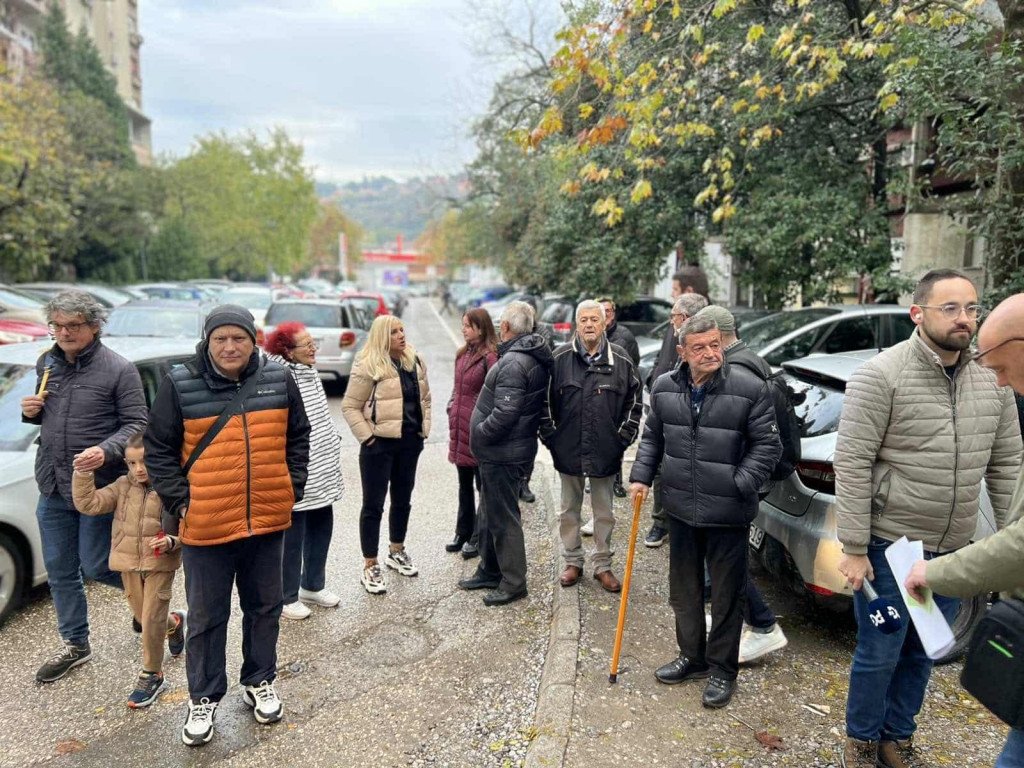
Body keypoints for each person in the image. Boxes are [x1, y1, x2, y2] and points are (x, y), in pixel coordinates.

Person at [834, 270, 1021, 768]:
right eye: (951, 308)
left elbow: (1007, 466)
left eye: (972, 308)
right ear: (918, 313)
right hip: (890, 548)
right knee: (881, 651)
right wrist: (853, 546)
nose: (965, 319)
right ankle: (862, 741)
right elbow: (851, 462)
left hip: (957, 548)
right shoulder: (882, 374)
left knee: (926, 651)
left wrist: (1007, 549)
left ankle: (898, 737)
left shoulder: (992, 377)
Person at [145, 304, 311, 747]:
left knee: (264, 608)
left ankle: (259, 679)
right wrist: (181, 502)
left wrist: (290, 484)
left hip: (267, 522)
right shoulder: (180, 383)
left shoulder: (279, 378)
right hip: (206, 525)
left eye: (239, 337)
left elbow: (299, 435)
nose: (230, 346)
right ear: (208, 341)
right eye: (221, 338)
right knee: (206, 616)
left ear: (253, 340)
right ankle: (203, 697)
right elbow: (158, 450)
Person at [629, 313, 781, 709]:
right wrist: (641, 476)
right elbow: (652, 439)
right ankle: (692, 658)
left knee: (727, 598)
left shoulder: (749, 387)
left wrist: (738, 483)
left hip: (728, 515)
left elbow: (768, 448)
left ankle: (722, 671)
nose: (711, 353)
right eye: (700, 347)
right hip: (679, 509)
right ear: (682, 352)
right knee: (684, 594)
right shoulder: (664, 388)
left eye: (715, 344)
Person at [904, 293, 1024, 768]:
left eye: (999, 366)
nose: (997, 380)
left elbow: (1019, 539)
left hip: (947, 552)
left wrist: (935, 574)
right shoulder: (887, 373)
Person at [21, 290, 147, 684]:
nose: (63, 332)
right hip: (54, 484)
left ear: (94, 326)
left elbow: (137, 423)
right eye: (57, 325)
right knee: (59, 569)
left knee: (98, 565)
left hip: (97, 488)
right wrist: (29, 413)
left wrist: (106, 451)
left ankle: (156, 608)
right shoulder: (46, 363)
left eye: (73, 325)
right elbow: (46, 417)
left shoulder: (118, 369)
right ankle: (75, 643)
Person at [695, 305, 793, 664]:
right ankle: (729, 619)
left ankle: (764, 626)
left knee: (726, 559)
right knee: (723, 556)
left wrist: (736, 481)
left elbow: (733, 436)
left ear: (717, 337)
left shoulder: (735, 369)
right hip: (743, 478)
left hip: (735, 481)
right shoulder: (751, 359)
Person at [71, 432, 186, 708]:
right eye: (132, 463)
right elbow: (89, 504)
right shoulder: (123, 486)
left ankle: (152, 674)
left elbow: (190, 524)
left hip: (160, 561)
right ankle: (175, 623)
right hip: (128, 564)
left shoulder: (171, 484)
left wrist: (172, 541)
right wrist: (83, 473)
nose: (139, 469)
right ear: (126, 463)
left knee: (149, 620)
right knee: (143, 616)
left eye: (144, 461)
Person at [541, 300, 641, 594]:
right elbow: (543, 404)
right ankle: (573, 561)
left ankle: (603, 566)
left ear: (603, 323)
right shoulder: (559, 359)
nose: (588, 325)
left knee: (604, 513)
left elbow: (635, 405)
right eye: (583, 319)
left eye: (593, 320)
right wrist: (552, 439)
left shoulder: (621, 360)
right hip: (568, 450)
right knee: (568, 510)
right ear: (576, 324)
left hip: (605, 451)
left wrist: (621, 439)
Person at [458, 300, 552, 607]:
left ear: (507, 327)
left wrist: (479, 433)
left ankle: (513, 582)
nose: (499, 327)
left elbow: (506, 412)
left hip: (503, 453)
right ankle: (489, 569)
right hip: (503, 452)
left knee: (504, 520)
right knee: (490, 514)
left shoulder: (515, 362)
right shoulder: (522, 356)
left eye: (502, 323)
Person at [342, 315, 432, 595]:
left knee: (403, 501)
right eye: (394, 332)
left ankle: (397, 550)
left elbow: (425, 399)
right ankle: (370, 564)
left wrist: (424, 429)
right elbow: (350, 406)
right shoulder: (368, 364)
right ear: (382, 336)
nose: (401, 335)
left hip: (410, 443)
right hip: (378, 446)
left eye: (402, 329)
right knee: (373, 506)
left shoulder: (413, 360)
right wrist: (368, 438)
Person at [264, 322, 345, 621]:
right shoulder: (277, 376)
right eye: (307, 345)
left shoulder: (309, 370)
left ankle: (313, 584)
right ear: (286, 350)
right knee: (293, 533)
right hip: (298, 469)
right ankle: (286, 596)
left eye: (314, 343)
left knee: (323, 521)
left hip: (323, 467)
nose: (314, 349)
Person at [644, 291, 709, 547]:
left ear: (685, 316)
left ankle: (676, 523)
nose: (671, 322)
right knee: (660, 466)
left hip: (686, 419)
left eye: (673, 316)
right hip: (664, 406)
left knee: (678, 470)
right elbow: (663, 361)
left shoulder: (703, 343)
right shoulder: (673, 334)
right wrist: (653, 380)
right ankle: (660, 522)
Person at [446, 308, 499, 560]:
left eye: (468, 325)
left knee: (483, 487)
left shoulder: (490, 357)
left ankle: (479, 536)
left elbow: (495, 396)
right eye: (463, 325)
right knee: (463, 485)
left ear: (480, 327)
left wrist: (483, 423)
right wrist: (451, 406)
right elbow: (457, 390)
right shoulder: (461, 354)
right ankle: (462, 531)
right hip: (459, 428)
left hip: (478, 432)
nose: (463, 329)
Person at [597, 296, 639, 499]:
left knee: (616, 439)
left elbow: (633, 365)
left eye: (609, 311)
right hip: (596, 393)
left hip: (617, 394)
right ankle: (594, 478)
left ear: (613, 313)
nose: (605, 315)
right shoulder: (591, 333)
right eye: (601, 311)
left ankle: (616, 481)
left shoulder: (625, 336)